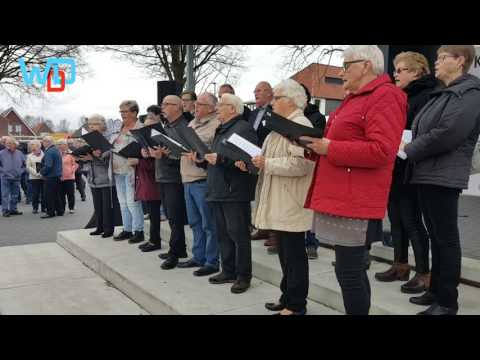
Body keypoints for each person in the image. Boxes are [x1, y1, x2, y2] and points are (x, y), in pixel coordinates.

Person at [303, 45, 407, 315]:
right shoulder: (356, 97)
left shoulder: (386, 96)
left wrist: (330, 148)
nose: (342, 70)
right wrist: (315, 147)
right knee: (348, 271)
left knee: (349, 273)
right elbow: (340, 141)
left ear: (367, 66)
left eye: (347, 64)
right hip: (342, 196)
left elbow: (383, 151)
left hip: (356, 199)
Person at [401, 45, 480, 315]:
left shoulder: (470, 93)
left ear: (460, 61)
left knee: (445, 239)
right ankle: (435, 290)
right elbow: (424, 128)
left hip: (443, 176)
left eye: (442, 57)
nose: (436, 62)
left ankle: (447, 302)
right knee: (436, 236)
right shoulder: (444, 93)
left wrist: (408, 149)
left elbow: (448, 133)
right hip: (427, 172)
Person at [374, 52, 439, 295]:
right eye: (395, 70)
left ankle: (424, 273)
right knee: (396, 219)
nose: (395, 74)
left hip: (412, 166)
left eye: (401, 70)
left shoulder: (427, 95)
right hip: (393, 165)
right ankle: (400, 265)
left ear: (417, 71)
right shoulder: (399, 95)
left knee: (412, 220)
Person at [251, 79, 315, 315]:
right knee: (285, 254)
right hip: (279, 197)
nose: (272, 102)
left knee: (295, 255)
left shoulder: (300, 124)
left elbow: (302, 164)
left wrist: (267, 163)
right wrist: (255, 160)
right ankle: (287, 297)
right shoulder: (281, 124)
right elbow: (271, 156)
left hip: (291, 200)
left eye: (277, 98)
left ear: (290, 100)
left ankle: (297, 304)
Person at [204, 94, 258, 294]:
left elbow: (249, 158)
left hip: (234, 190)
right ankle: (228, 270)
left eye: (221, 105)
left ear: (233, 109)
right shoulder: (222, 129)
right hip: (218, 188)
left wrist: (221, 159)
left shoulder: (243, 128)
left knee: (239, 235)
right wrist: (204, 159)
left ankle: (243, 276)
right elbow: (222, 157)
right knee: (223, 234)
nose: (217, 108)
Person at [177, 92, 220, 277]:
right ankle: (198, 256)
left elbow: (212, 150)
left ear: (211, 107)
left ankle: (211, 261)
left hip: (202, 179)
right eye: (196, 104)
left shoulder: (216, 124)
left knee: (209, 224)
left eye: (201, 104)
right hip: (187, 178)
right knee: (194, 222)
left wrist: (200, 152)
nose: (196, 107)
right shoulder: (192, 123)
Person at [149, 95, 189, 270]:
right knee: (171, 217)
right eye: (162, 104)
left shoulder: (183, 127)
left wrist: (167, 155)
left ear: (178, 107)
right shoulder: (166, 126)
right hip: (163, 175)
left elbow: (185, 154)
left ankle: (174, 253)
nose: (162, 107)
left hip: (174, 177)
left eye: (166, 104)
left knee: (175, 216)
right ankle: (179, 249)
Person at [79, 115, 119, 238]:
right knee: (98, 205)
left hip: (106, 178)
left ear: (103, 124)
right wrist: (81, 158)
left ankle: (108, 229)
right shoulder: (89, 140)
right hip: (93, 178)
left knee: (107, 206)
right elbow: (91, 159)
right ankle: (99, 227)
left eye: (95, 123)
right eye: (89, 124)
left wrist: (93, 157)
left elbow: (108, 162)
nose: (91, 126)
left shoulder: (109, 139)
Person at [300, 83, 327, 260]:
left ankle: (311, 243)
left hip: (311, 164)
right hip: (295, 162)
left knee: (310, 208)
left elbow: (318, 137)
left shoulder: (317, 116)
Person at [111, 100, 145, 243]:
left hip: (132, 171)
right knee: (123, 202)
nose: (122, 114)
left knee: (132, 202)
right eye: (121, 111)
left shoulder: (140, 128)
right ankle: (127, 229)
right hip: (117, 170)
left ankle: (139, 231)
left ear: (134, 112)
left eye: (125, 111)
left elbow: (145, 149)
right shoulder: (119, 128)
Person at [135, 113, 163, 252]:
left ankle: (155, 241)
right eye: (145, 126)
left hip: (155, 181)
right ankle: (152, 239)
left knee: (155, 214)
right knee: (152, 214)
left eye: (149, 126)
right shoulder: (144, 141)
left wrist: (141, 159)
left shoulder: (158, 140)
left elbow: (153, 166)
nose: (146, 129)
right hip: (147, 181)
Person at [0, 137, 25, 217]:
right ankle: (5, 210)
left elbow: (24, 165)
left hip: (16, 177)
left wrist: (20, 172)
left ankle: (13, 209)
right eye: (7, 143)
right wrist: (4, 171)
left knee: (15, 194)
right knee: (5, 195)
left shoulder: (20, 153)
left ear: (15, 144)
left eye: (10, 143)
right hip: (5, 178)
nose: (8, 145)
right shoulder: (1, 153)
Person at [40, 136, 64, 218]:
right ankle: (60, 211)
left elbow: (48, 166)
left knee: (49, 195)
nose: (42, 143)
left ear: (48, 142)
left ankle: (50, 212)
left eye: (43, 142)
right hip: (57, 175)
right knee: (56, 194)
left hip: (50, 176)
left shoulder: (49, 152)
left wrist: (42, 172)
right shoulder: (56, 150)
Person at [57, 139, 78, 214]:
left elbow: (75, 164)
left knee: (70, 193)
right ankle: (62, 208)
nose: (59, 146)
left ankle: (71, 208)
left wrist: (71, 171)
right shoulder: (57, 154)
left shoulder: (71, 153)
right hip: (60, 177)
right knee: (61, 194)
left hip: (69, 177)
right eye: (58, 144)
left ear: (65, 145)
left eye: (60, 144)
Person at [26, 140, 46, 214]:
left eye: (34, 147)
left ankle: (44, 208)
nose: (33, 149)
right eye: (32, 148)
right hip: (34, 178)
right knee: (35, 194)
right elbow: (28, 167)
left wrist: (42, 173)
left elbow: (46, 165)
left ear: (39, 146)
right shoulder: (29, 156)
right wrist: (37, 173)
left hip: (44, 177)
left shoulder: (45, 155)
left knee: (44, 193)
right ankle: (35, 208)